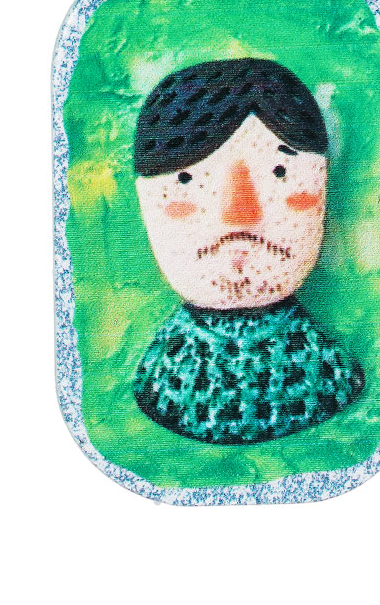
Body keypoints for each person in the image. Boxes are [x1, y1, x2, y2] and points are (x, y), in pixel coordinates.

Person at [131, 58, 363, 444]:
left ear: (321, 185)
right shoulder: (160, 379)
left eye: (279, 172)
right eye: (186, 179)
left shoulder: (327, 375)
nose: (240, 213)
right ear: (146, 203)